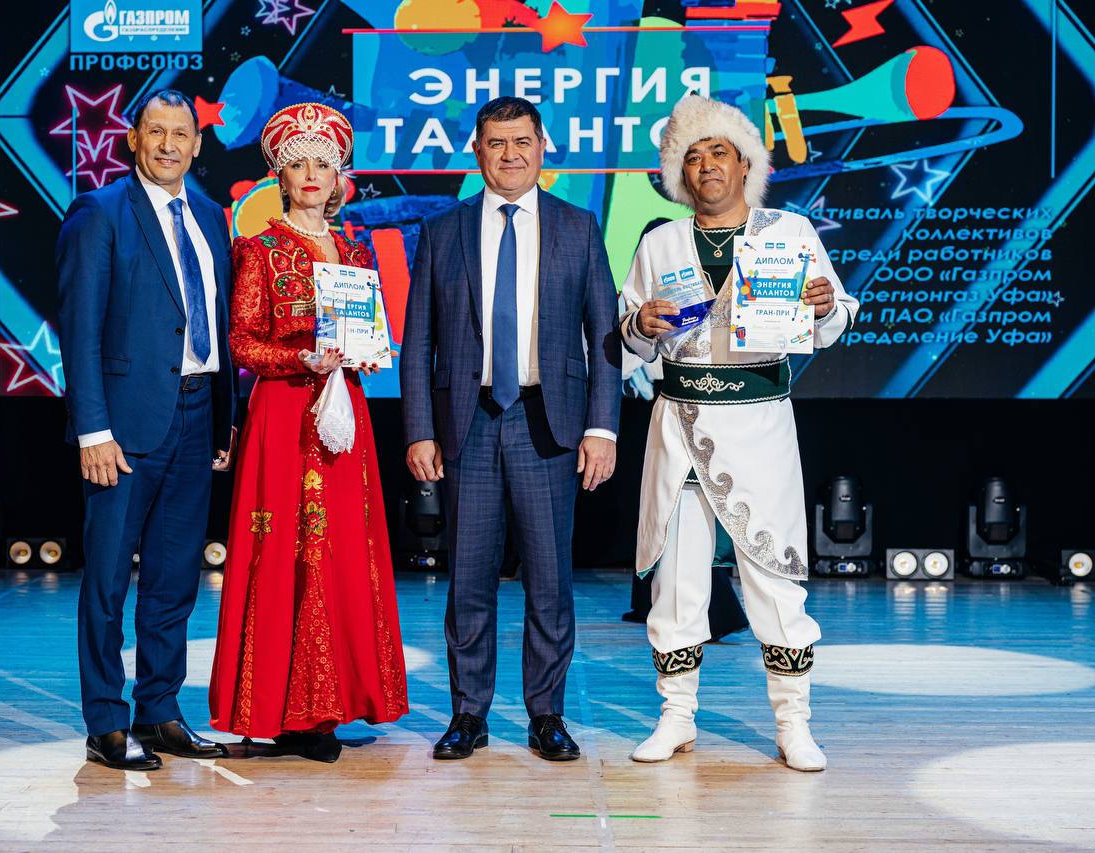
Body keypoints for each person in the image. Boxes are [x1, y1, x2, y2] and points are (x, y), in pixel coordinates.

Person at [620, 95, 858, 771]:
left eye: (718, 152)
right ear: (679, 173)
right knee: (676, 582)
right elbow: (628, 336)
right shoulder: (660, 242)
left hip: (759, 423)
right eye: (692, 157)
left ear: (745, 163)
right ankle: (676, 716)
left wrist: (823, 304)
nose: (706, 167)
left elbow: (836, 315)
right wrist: (642, 324)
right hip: (681, 426)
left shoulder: (789, 232)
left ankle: (793, 722)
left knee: (774, 574)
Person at [400, 97, 621, 762]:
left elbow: (604, 336)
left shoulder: (579, 227)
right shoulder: (443, 231)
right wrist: (419, 429)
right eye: (496, 143)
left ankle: (546, 714)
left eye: (522, 141)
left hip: (547, 423)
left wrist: (602, 427)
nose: (510, 155)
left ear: (542, 147)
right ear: (477, 152)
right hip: (466, 424)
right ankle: (468, 713)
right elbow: (418, 342)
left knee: (549, 581)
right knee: (467, 579)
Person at [208, 103, 408, 764]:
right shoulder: (259, 250)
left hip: (343, 414)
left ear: (340, 175)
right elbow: (241, 341)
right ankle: (284, 711)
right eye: (299, 164)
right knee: (288, 551)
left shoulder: (353, 249)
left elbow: (369, 331)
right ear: (281, 176)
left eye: (324, 162)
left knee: (342, 550)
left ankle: (331, 703)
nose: (312, 174)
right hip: (285, 415)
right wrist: (301, 359)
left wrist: (366, 353)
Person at [57, 89, 236, 770]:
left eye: (180, 133)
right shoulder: (99, 212)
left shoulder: (212, 216)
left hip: (196, 416)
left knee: (174, 579)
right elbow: (80, 329)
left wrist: (223, 418)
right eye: (155, 132)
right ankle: (105, 720)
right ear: (133, 140)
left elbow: (216, 320)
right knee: (108, 579)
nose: (168, 145)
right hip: (125, 428)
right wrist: (92, 431)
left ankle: (159, 710)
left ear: (197, 143)